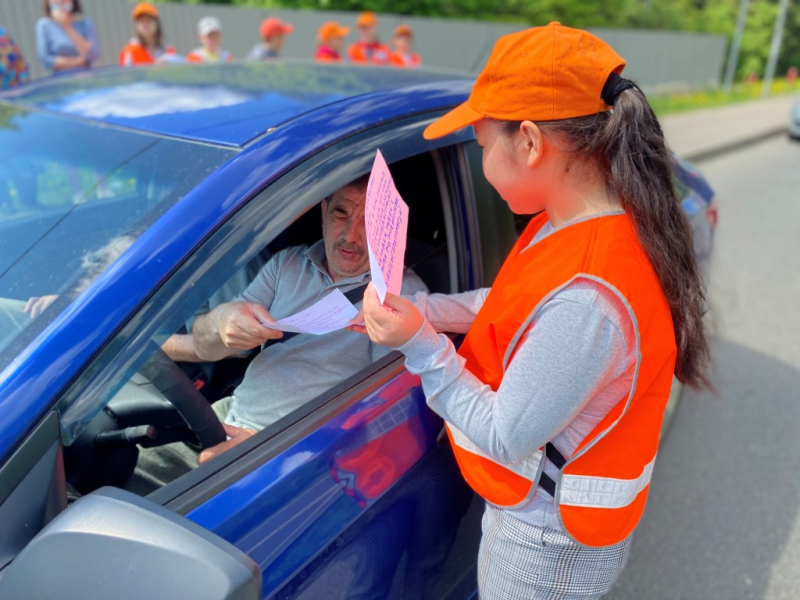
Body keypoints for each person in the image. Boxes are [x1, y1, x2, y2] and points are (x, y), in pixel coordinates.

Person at [354, 23, 709, 599]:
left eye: (481, 146)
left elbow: (505, 433)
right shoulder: (566, 220)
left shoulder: (591, 299)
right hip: (540, 515)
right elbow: (516, 303)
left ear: (529, 141)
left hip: (550, 544)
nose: (482, 163)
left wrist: (419, 342)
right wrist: (427, 310)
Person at [130, 177, 427, 493]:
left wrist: (277, 449)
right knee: (120, 477)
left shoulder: (402, 295)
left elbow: (386, 408)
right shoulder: (287, 263)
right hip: (229, 415)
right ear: (323, 211)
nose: (350, 235)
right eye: (341, 213)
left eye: (370, 220)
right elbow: (210, 347)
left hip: (293, 454)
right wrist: (219, 321)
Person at [36, 0, 99, 74]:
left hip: (86, 77)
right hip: (60, 81)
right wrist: (79, 61)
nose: (60, 1)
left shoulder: (86, 24)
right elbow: (46, 60)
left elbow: (92, 55)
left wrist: (67, 27)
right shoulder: (44, 25)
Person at [119, 2, 180, 66]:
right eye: (141, 21)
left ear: (156, 23)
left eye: (149, 20)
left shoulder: (168, 50)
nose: (145, 24)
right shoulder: (129, 51)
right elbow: (126, 75)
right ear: (136, 25)